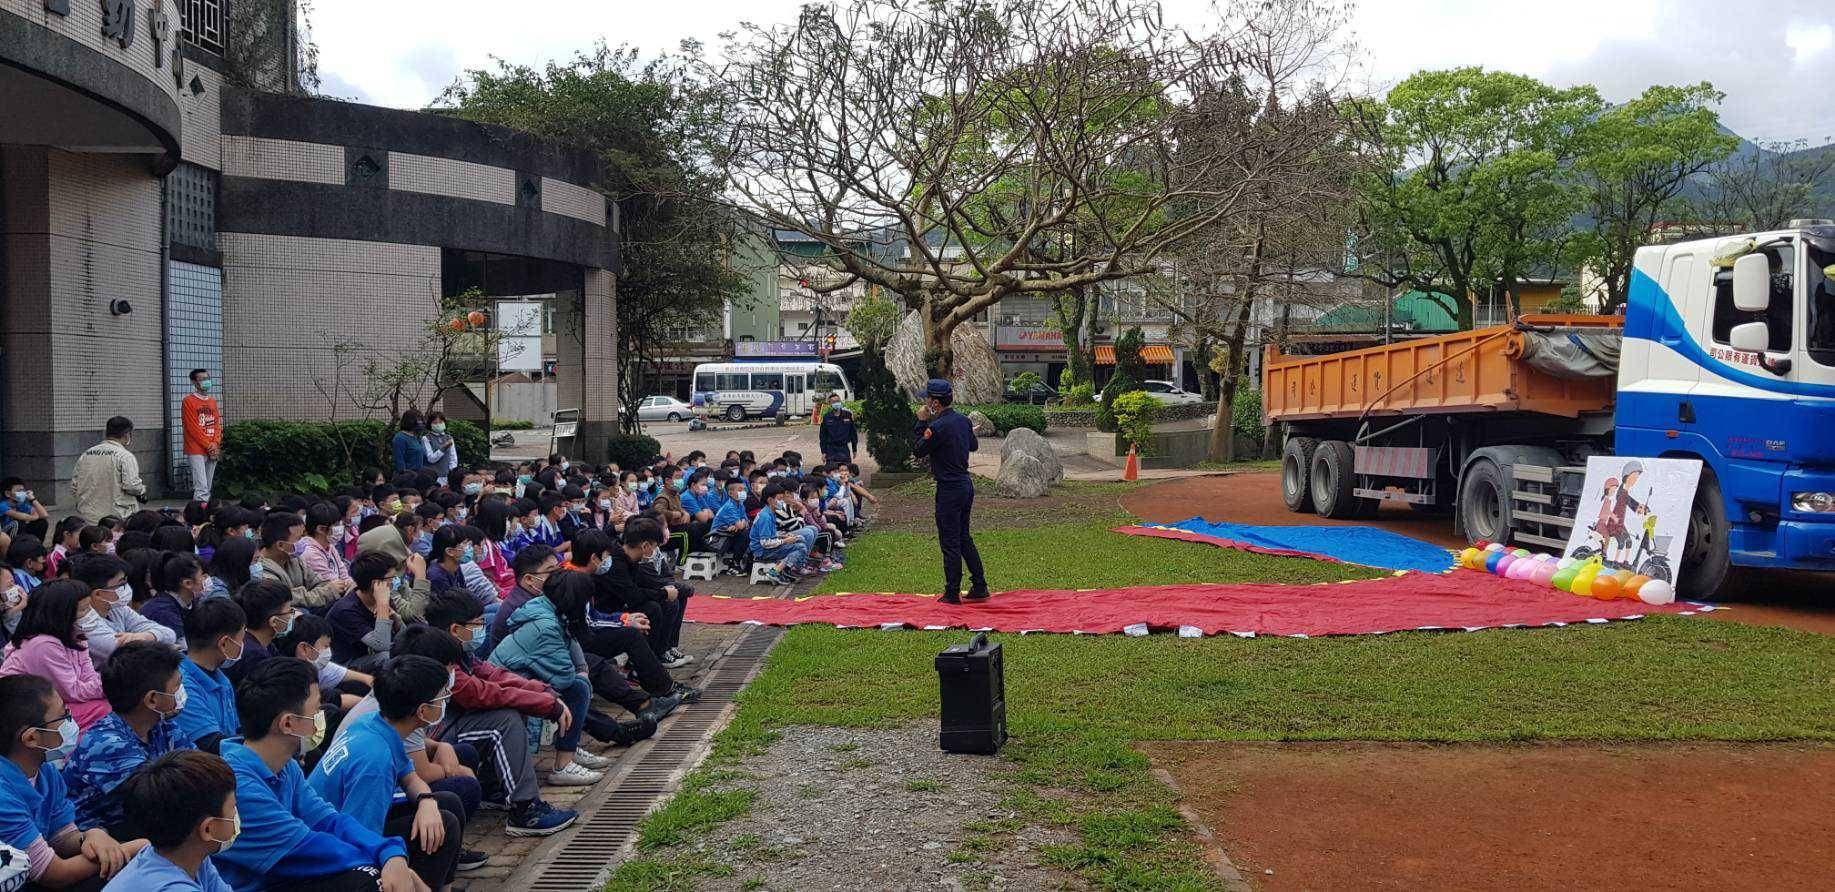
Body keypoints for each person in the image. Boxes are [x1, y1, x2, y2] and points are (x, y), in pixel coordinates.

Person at [214, 658, 426, 892]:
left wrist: (389, 851)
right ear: (288, 723)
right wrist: (384, 859)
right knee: (369, 880)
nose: (321, 716)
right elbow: (305, 848)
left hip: (283, 872)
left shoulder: (286, 767)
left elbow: (327, 819)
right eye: (316, 709)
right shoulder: (237, 786)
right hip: (259, 884)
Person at [404, 601, 577, 836]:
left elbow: (493, 674)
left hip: (443, 731)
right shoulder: (434, 658)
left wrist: (542, 692)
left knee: (516, 705)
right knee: (504, 720)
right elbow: (482, 692)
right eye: (477, 623)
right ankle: (524, 810)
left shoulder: (457, 651)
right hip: (434, 732)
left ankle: (493, 787)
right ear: (455, 629)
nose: (482, 628)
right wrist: (546, 704)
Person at [307, 655, 475, 885]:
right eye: (443, 696)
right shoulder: (375, 760)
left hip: (343, 825)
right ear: (423, 711)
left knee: (446, 803)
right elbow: (361, 837)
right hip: (331, 850)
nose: (446, 701)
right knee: (444, 825)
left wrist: (427, 801)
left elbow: (410, 776)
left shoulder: (374, 723)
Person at [0, 674, 146, 890]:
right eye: (63, 715)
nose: (72, 720)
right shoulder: (3, 795)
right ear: (31, 738)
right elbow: (52, 873)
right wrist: (136, 848)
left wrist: (90, 836)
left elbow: (60, 836)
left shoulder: (45, 770)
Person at [485, 572, 618, 786]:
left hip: (517, 679)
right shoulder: (545, 626)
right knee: (578, 688)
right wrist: (579, 673)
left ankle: (570, 749)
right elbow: (564, 676)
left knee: (580, 682)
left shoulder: (546, 607)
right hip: (506, 688)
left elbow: (571, 643)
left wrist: (582, 667)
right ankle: (563, 765)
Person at [65, 641, 194, 835]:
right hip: (99, 843)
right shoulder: (107, 744)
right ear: (152, 699)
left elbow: (199, 768)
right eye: (178, 685)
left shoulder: (161, 725)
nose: (182, 691)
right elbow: (168, 798)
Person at [105, 749, 237, 892]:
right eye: (233, 807)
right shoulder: (171, 887)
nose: (236, 814)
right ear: (208, 829)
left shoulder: (191, 858)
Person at [913, 379, 989, 603]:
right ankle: (979, 584)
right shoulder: (963, 421)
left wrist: (921, 423)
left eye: (928, 399)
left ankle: (952, 591)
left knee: (950, 541)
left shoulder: (935, 427)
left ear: (935, 402)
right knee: (964, 536)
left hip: (949, 488)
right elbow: (973, 446)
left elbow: (918, 450)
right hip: (965, 485)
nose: (926, 403)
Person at [0, 579, 112, 731]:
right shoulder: (43, 645)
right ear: (62, 614)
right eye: (84, 610)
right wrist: (114, 683)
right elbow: (72, 692)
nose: (90, 614)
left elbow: (88, 675)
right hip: (24, 714)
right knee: (105, 710)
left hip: (54, 702)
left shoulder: (75, 635)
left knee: (111, 704)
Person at [70, 553, 175, 667]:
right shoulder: (84, 623)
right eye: (121, 584)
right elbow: (126, 655)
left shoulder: (117, 608)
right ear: (98, 594)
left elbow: (169, 634)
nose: (126, 587)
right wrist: (161, 645)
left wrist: (145, 636)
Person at [173, 599, 248, 753]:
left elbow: (236, 729)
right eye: (241, 637)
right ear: (225, 643)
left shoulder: (220, 679)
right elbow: (210, 744)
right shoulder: (181, 685)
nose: (243, 643)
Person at [255, 512, 349, 612]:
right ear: (280, 545)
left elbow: (318, 581)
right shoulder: (260, 570)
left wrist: (328, 589)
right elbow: (287, 598)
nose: (303, 541)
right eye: (299, 538)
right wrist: (327, 592)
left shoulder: (295, 558)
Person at [326, 552, 402, 670]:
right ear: (376, 584)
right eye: (392, 578)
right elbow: (381, 645)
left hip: (369, 656)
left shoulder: (382, 598)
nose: (395, 581)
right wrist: (382, 605)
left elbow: (404, 638)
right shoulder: (346, 610)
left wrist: (396, 620)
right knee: (388, 657)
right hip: (344, 665)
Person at [71, 418, 146, 524]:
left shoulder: (87, 454)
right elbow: (132, 486)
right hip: (116, 517)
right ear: (127, 435)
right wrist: (142, 490)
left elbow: (74, 487)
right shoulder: (124, 456)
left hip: (88, 516)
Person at [226, 579, 296, 686]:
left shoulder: (265, 644)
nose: (292, 616)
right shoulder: (254, 656)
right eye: (290, 611)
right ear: (274, 621)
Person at [748, 482, 811, 584]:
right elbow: (765, 542)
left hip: (768, 547)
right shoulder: (765, 516)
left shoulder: (770, 512)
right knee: (801, 547)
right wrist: (784, 541)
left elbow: (771, 534)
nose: (782, 502)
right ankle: (775, 572)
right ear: (770, 500)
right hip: (762, 551)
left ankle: (784, 569)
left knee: (800, 539)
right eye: (780, 499)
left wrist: (783, 535)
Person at [182, 370, 224, 504]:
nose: (206, 381)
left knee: (208, 484)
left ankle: (204, 508)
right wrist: (209, 445)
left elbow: (217, 424)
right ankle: (198, 512)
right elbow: (192, 427)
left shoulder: (212, 401)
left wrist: (216, 443)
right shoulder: (188, 401)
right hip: (196, 449)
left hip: (212, 447)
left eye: (207, 378)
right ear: (194, 382)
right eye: (202, 379)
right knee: (201, 485)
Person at [295, 503, 351, 585]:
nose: (340, 527)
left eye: (340, 523)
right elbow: (331, 582)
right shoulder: (309, 552)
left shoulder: (330, 545)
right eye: (336, 525)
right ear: (320, 529)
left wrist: (349, 583)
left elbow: (344, 574)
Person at [2, 477, 50, 543]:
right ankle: (13, 549)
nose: (22, 493)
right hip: (4, 535)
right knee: (17, 524)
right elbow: (21, 516)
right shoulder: (2, 505)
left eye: (23, 490)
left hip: (19, 532)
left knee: (42, 522)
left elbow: (44, 515)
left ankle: (36, 547)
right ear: (7, 493)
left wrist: (32, 499)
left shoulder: (21, 505)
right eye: (18, 491)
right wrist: (35, 516)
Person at [818, 393, 858, 463]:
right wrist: (823, 452)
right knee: (831, 471)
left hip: (844, 448)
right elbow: (823, 436)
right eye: (834, 402)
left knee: (845, 471)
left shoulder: (847, 415)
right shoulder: (827, 417)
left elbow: (853, 433)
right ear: (830, 404)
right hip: (831, 449)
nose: (836, 403)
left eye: (838, 401)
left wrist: (854, 449)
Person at [391, 411, 426, 476]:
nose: (421, 422)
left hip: (418, 475)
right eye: (418, 420)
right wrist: (405, 475)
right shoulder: (400, 438)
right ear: (410, 421)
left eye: (421, 420)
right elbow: (399, 460)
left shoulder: (416, 436)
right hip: (408, 476)